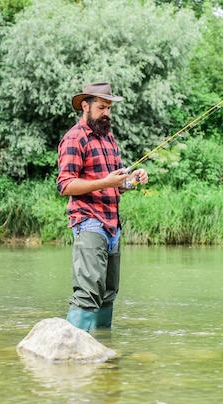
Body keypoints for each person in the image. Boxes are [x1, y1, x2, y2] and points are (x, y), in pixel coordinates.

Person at [56, 82, 148, 332]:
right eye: (101, 107)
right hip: (89, 222)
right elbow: (64, 185)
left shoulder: (109, 139)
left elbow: (116, 186)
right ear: (85, 106)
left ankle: (101, 349)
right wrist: (106, 181)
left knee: (108, 293)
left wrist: (131, 181)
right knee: (88, 293)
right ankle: (71, 350)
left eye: (109, 107)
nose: (106, 112)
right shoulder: (74, 138)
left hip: (112, 225)